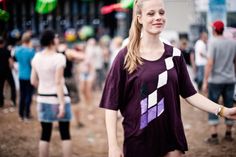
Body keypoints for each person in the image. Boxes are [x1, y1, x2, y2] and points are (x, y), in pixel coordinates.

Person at [99, 0, 236, 157]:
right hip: (138, 142)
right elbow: (111, 104)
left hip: (172, 140)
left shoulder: (175, 55)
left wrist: (223, 110)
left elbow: (191, 94)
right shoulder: (125, 56)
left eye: (161, 13)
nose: (158, 17)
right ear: (139, 18)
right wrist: (113, 146)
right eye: (151, 13)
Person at [31, 29, 72, 157]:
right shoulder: (59, 57)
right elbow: (58, 82)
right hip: (59, 99)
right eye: (55, 37)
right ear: (51, 41)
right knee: (65, 134)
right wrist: (61, 104)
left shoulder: (36, 57)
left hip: (43, 99)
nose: (57, 39)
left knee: (45, 134)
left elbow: (33, 81)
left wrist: (44, 87)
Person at [202, 20, 236, 144]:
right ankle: (228, 133)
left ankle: (214, 135)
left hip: (215, 80)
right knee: (229, 105)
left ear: (215, 30)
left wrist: (205, 81)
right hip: (230, 79)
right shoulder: (233, 43)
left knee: (213, 106)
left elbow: (210, 63)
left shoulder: (213, 42)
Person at [14, 32, 35, 121]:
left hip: (21, 75)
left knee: (22, 95)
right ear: (29, 41)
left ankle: (21, 114)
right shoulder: (31, 51)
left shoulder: (17, 50)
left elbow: (15, 59)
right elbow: (33, 63)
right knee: (28, 96)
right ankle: (27, 114)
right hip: (29, 75)